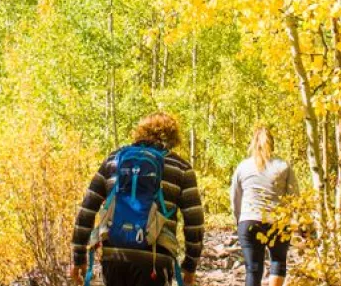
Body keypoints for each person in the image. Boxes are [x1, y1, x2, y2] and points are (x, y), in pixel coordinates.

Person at [71, 112, 204, 286]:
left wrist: (78, 257)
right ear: (173, 138)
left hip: (114, 255)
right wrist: (190, 266)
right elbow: (195, 223)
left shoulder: (113, 161)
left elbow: (87, 209)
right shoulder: (181, 168)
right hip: (156, 258)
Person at [231, 126, 298, 286]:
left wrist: (239, 219)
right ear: (272, 144)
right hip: (278, 222)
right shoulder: (283, 166)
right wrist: (297, 222)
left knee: (252, 269)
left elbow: (235, 198)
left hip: (249, 220)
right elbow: (294, 197)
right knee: (278, 262)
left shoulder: (242, 167)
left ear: (253, 144)